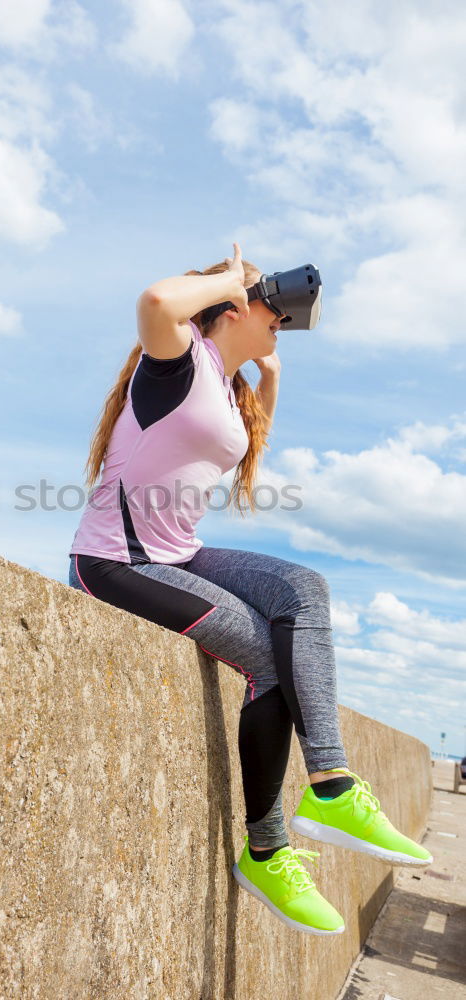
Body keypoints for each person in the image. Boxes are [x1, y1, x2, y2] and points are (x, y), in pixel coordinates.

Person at [66, 241, 432, 936]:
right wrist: (233, 279)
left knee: (302, 588)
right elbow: (153, 301)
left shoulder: (229, 390)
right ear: (231, 307)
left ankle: (329, 786)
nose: (281, 321)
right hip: (118, 563)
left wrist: (269, 380)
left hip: (182, 553)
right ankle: (269, 847)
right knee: (265, 655)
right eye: (272, 309)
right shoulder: (174, 360)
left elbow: (237, 439)